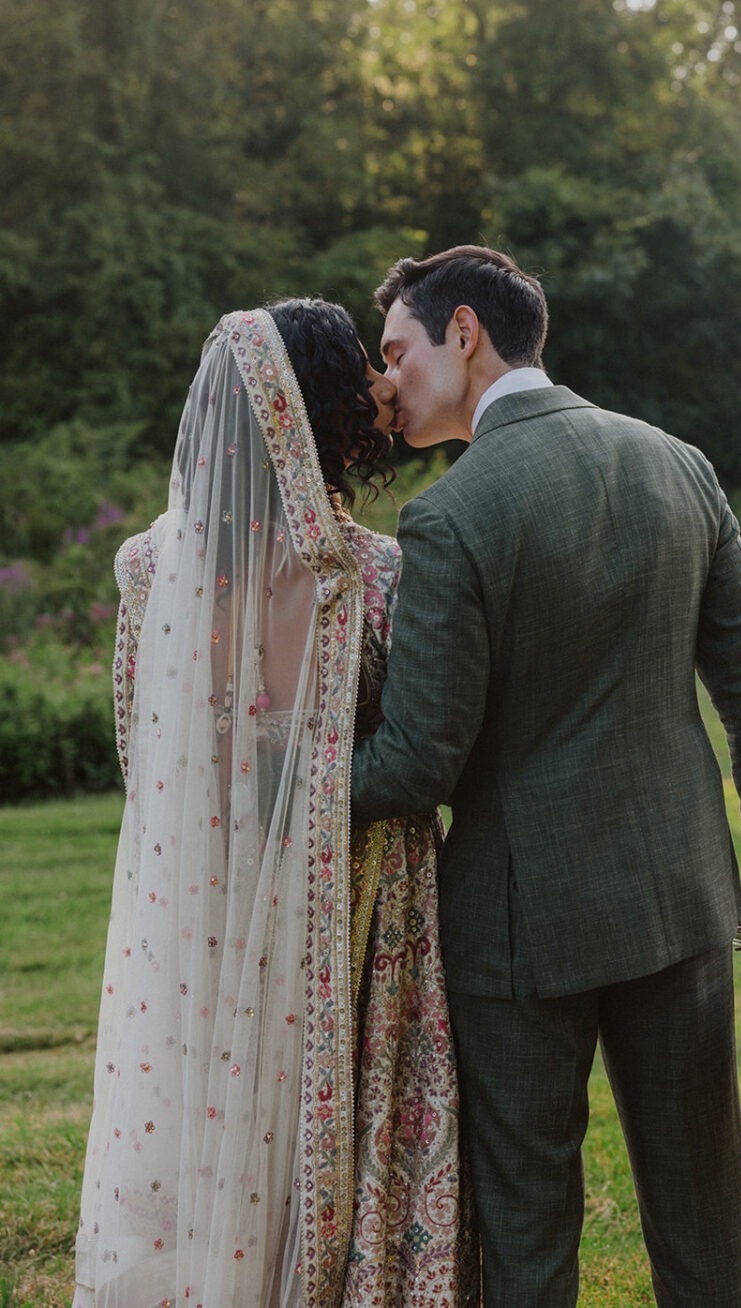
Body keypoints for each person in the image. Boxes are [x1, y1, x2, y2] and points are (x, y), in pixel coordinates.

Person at [349, 245, 741, 1307]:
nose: (387, 384)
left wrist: (289, 780)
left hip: (521, 936)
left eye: (397, 351)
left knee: (527, 1232)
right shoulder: (677, 462)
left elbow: (423, 756)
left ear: (461, 331)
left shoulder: (449, 515)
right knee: (703, 1223)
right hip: (677, 901)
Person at [73, 301, 479, 1308]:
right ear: (329, 413)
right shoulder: (376, 575)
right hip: (364, 913)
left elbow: (146, 758)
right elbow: (431, 749)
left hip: (207, 906)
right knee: (325, 1125)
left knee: (220, 1134)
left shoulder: (146, 574)